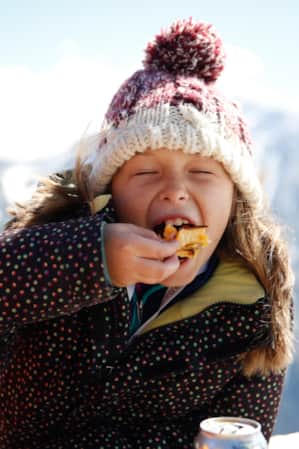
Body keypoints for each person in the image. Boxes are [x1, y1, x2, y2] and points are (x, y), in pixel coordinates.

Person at [0, 18, 294, 449]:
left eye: (202, 172)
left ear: (235, 201)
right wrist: (90, 259)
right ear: (110, 191)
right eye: (146, 171)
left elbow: (240, 428)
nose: (175, 190)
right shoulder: (55, 238)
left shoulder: (251, 302)